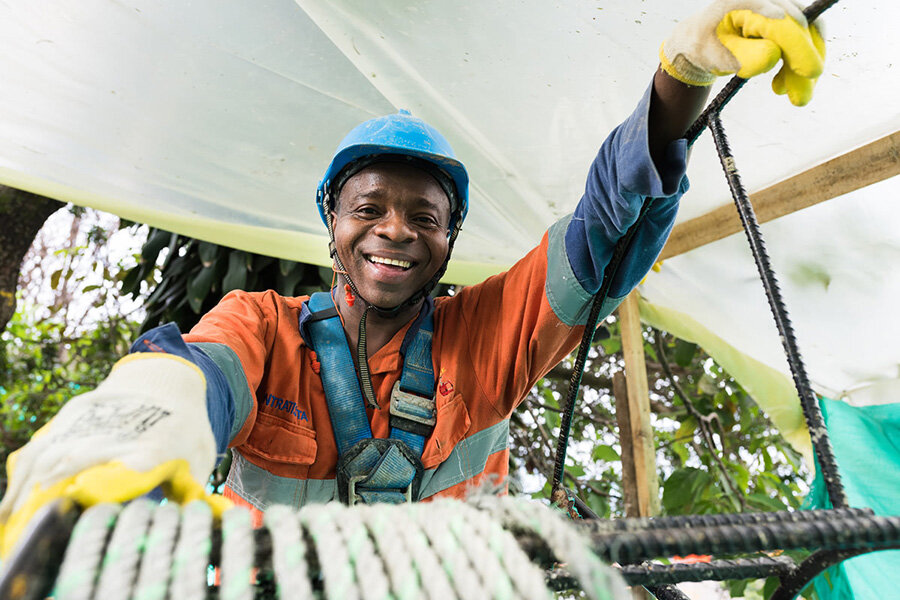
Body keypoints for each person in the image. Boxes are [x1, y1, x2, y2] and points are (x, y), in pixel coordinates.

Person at [0, 0, 825, 553]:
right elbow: (200, 371)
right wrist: (152, 417)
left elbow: (603, 229)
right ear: (333, 222)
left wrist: (680, 79)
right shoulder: (264, 325)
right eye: (369, 209)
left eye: (423, 217)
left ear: (447, 237)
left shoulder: (487, 336)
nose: (394, 230)